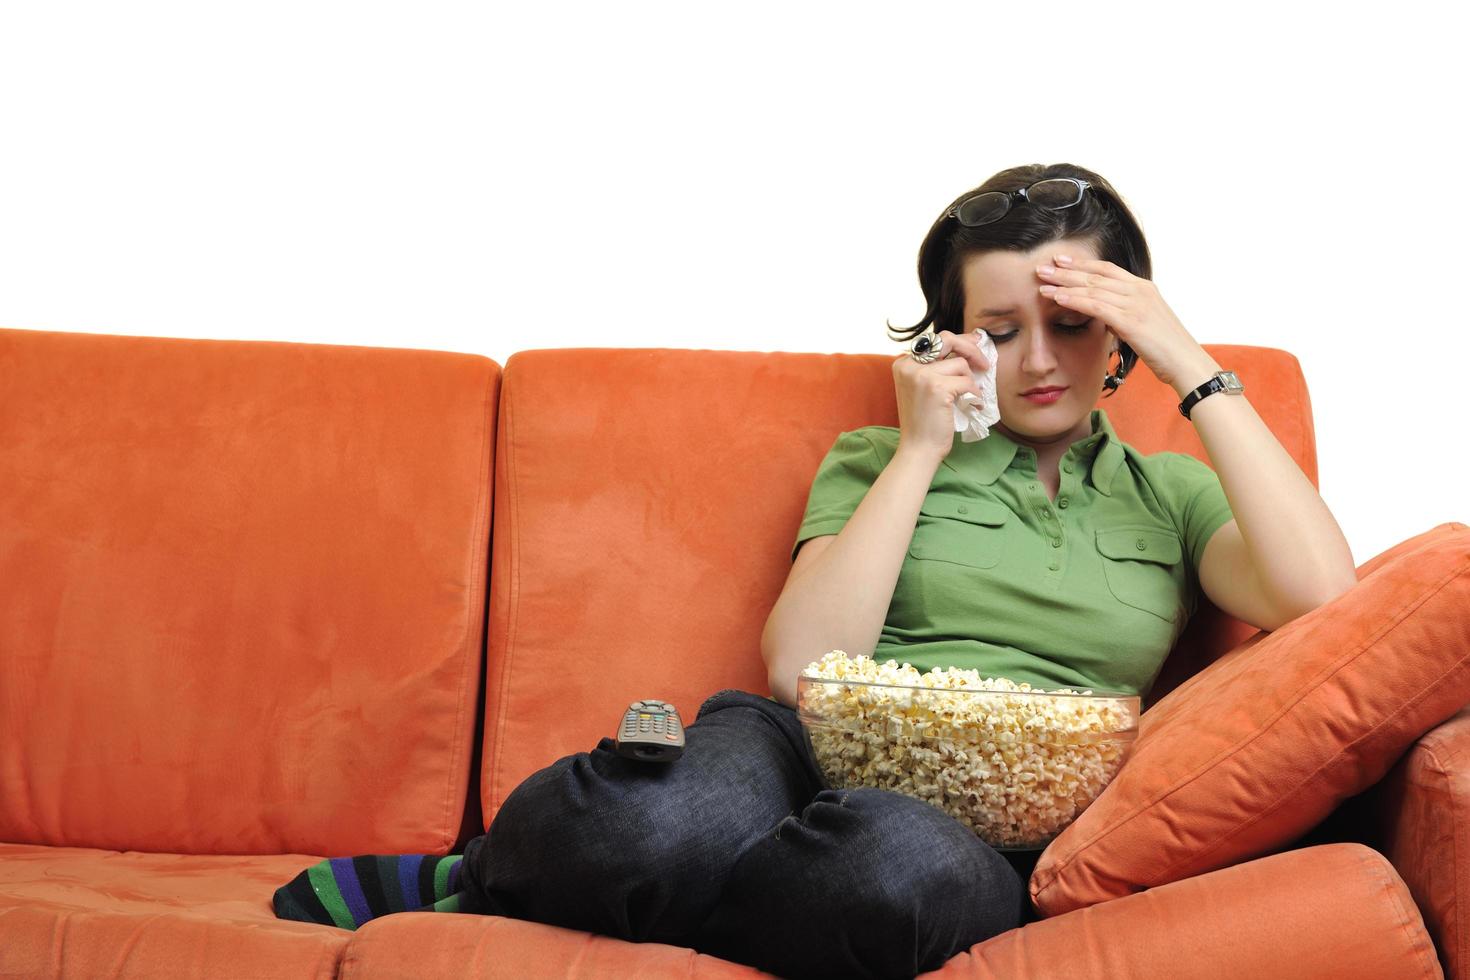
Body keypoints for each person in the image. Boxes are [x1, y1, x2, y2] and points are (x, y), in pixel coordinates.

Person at [272, 164, 1356, 979]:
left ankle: (572, 895)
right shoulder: (881, 457)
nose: (1036, 360)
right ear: (952, 337)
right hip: (803, 746)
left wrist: (1189, 361)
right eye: (1000, 328)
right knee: (641, 819)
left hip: (981, 815)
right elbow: (802, 663)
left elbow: (1323, 597)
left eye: (1074, 324)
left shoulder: (1171, 494)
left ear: (1121, 328)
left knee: (897, 877)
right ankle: (501, 872)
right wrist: (925, 444)